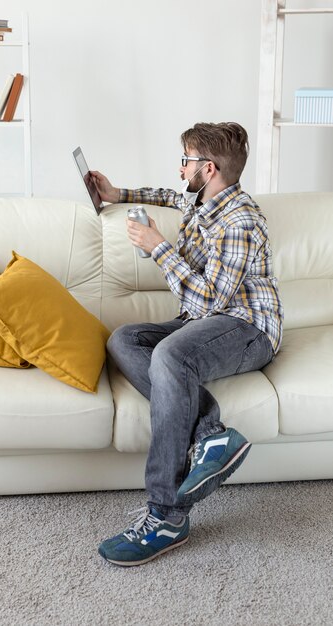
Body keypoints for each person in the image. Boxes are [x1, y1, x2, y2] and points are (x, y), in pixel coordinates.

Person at [91, 122, 283, 567]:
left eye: (186, 161)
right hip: (204, 321)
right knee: (124, 340)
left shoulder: (240, 221)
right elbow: (169, 195)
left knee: (171, 355)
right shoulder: (203, 201)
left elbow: (210, 300)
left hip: (247, 325)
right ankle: (211, 436)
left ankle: (166, 515)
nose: (181, 169)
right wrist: (117, 193)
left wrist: (159, 246)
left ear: (208, 167)